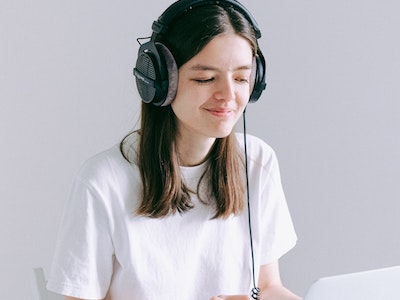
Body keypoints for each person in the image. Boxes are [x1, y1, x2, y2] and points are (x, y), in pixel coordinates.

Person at [47, 0, 302, 299]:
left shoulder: (257, 161)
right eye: (205, 78)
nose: (229, 96)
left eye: (242, 78)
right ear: (160, 81)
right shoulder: (102, 182)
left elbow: (269, 286)